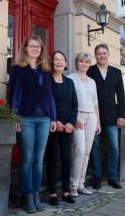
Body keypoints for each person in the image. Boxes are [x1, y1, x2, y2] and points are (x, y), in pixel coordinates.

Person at [9, 35, 57, 213]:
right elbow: (13, 94)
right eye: (32, 46)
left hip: (44, 119)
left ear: (40, 50)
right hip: (26, 118)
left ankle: (36, 195)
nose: (35, 49)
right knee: (27, 159)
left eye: (38, 47)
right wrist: (13, 117)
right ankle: (27, 196)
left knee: (38, 160)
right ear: (26, 49)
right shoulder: (17, 70)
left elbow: (49, 97)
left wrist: (53, 118)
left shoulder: (45, 71)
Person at [87, 44, 125, 190]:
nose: (101, 56)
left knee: (114, 147)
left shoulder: (116, 72)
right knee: (95, 146)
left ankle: (112, 177)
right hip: (94, 116)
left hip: (112, 116)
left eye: (104, 53)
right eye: (99, 54)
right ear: (95, 56)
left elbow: (121, 95)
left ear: (108, 54)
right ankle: (96, 177)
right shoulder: (90, 71)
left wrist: (122, 115)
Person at [46, 51, 78, 205]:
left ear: (65, 63)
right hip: (53, 126)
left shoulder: (70, 82)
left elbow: (74, 104)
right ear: (52, 63)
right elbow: (45, 102)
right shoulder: (47, 80)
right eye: (56, 59)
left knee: (66, 159)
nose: (59, 62)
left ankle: (66, 192)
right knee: (52, 159)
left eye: (62, 60)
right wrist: (55, 120)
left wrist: (71, 123)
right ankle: (52, 194)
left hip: (67, 127)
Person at [68, 52, 101, 197]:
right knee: (80, 150)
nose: (84, 64)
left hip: (92, 117)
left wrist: (98, 122)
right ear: (77, 63)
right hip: (78, 116)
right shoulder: (70, 79)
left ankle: (81, 184)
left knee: (87, 151)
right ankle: (73, 185)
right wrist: (74, 118)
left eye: (87, 62)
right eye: (81, 61)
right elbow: (68, 102)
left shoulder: (92, 82)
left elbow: (96, 104)